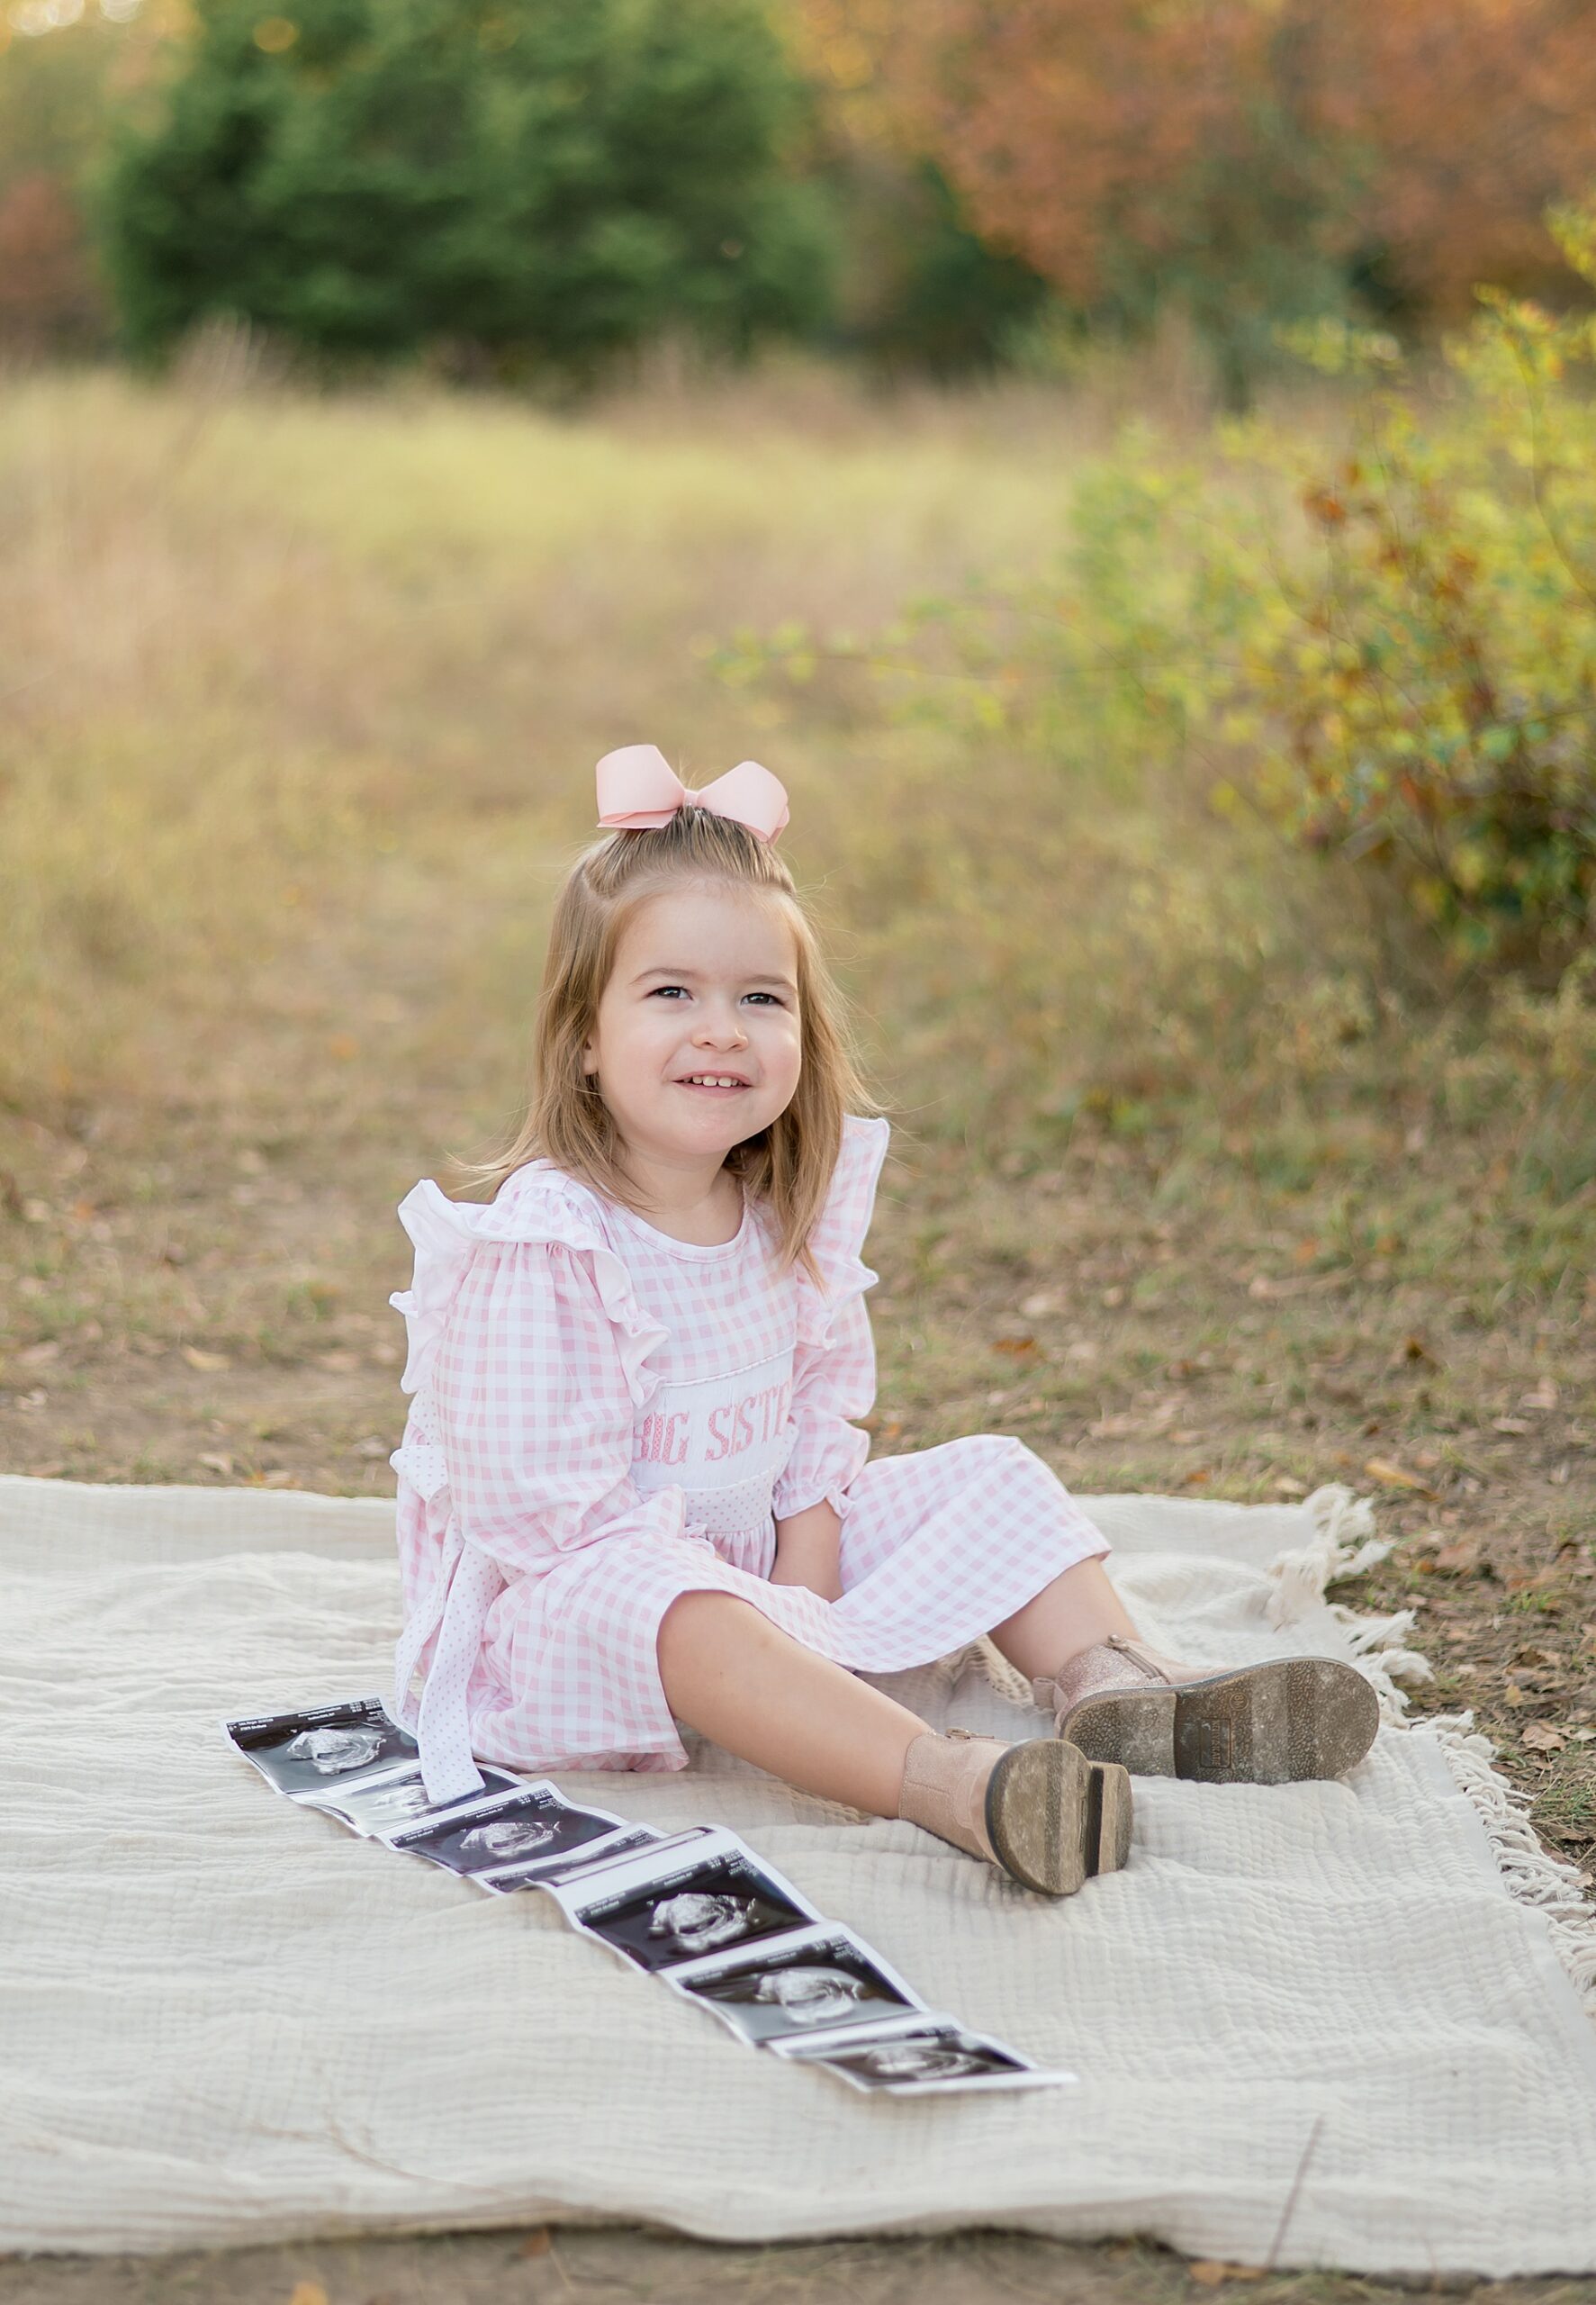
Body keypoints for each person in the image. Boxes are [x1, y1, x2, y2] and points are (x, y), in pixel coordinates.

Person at [386, 744, 1379, 1899]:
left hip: (766, 1577)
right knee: (674, 1602)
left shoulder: (780, 1217)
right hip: (593, 1624)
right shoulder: (550, 1239)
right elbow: (541, 1518)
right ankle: (951, 1782)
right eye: (672, 993)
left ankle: (1116, 1689)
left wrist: (807, 1589)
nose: (723, 1029)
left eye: (762, 999)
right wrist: (758, 1614)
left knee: (988, 1476)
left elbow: (815, 1420)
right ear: (586, 1040)